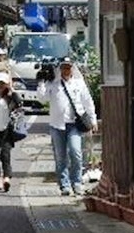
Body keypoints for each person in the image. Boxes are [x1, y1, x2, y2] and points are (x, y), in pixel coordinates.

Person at [37, 56, 97, 196]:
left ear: (72, 68)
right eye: (63, 67)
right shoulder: (53, 83)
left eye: (68, 67)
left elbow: (88, 102)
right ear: (60, 68)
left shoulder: (79, 83)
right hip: (57, 124)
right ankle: (64, 185)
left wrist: (93, 119)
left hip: (74, 124)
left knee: (76, 152)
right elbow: (42, 99)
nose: (66, 69)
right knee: (60, 156)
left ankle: (77, 181)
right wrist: (41, 82)